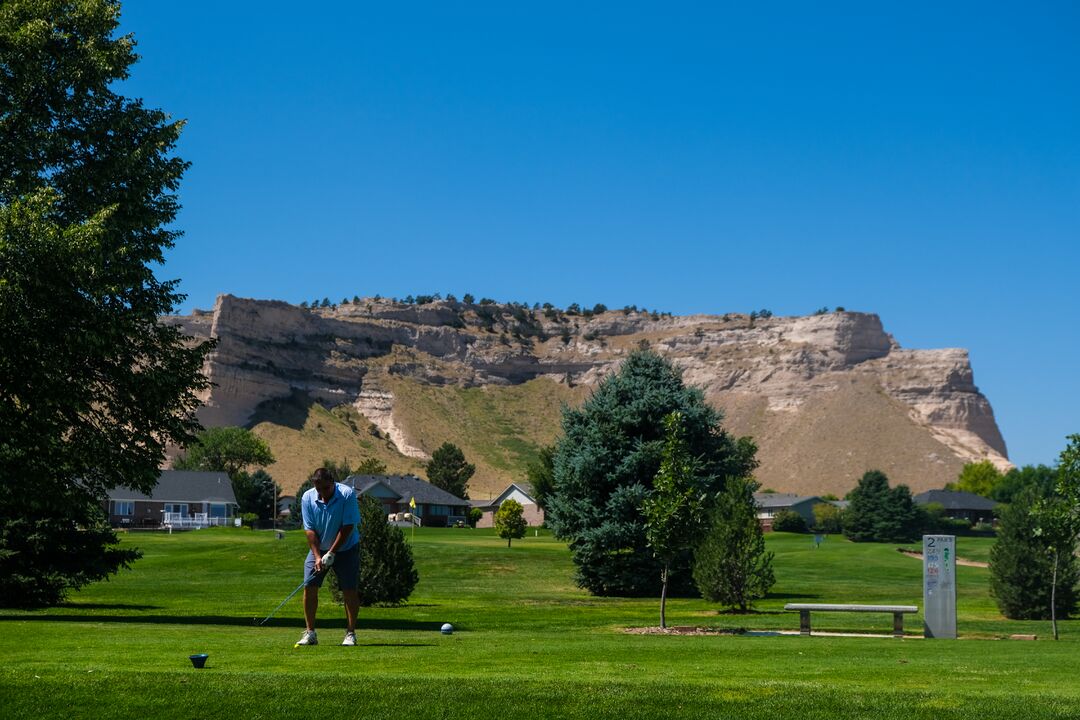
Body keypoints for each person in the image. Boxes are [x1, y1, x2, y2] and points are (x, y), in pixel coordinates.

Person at [296, 467, 361, 646]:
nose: (322, 493)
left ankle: (350, 633)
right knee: (309, 587)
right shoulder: (307, 497)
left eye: (326, 488)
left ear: (333, 483)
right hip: (319, 548)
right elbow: (309, 530)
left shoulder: (347, 494)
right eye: (319, 489)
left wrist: (332, 552)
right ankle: (310, 633)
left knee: (349, 590)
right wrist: (318, 556)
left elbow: (348, 527)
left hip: (346, 548)